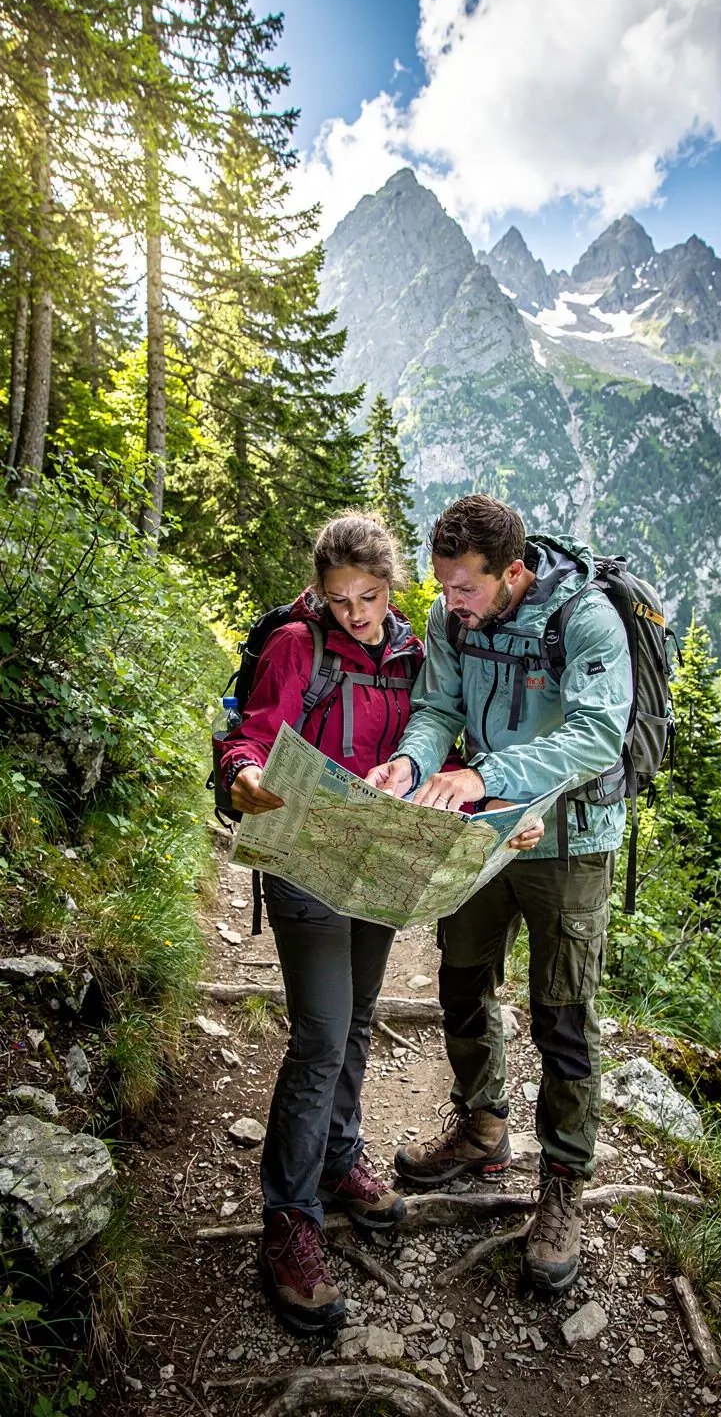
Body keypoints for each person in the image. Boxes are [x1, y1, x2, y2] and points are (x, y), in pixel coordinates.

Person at [366, 494, 632, 1295]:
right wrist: (413, 763)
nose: (449, 605)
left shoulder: (583, 621)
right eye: (443, 587)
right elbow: (438, 707)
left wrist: (485, 774)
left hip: (569, 842)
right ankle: (483, 1128)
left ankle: (563, 1186)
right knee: (460, 980)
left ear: (511, 572)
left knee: (563, 1017)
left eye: (465, 589)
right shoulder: (453, 624)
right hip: (484, 837)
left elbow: (595, 736)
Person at [219, 512, 424, 1336]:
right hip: (305, 851)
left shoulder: (412, 650)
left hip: (378, 856)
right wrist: (243, 776)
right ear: (320, 593)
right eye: (339, 600)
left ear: (390, 584)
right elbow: (253, 735)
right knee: (320, 1034)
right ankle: (289, 1219)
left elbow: (432, 740)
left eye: (369, 597)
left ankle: (339, 1161)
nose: (356, 614)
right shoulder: (295, 645)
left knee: (360, 1018)